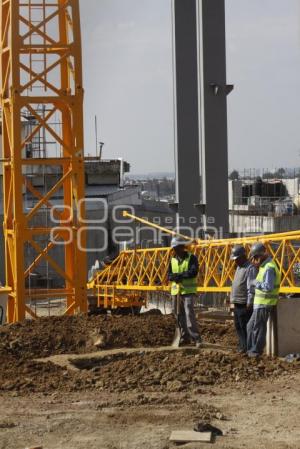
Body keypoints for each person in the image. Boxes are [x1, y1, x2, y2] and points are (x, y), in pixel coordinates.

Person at [247, 242, 281, 358]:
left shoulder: (269, 267)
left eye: (256, 258)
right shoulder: (263, 266)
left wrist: (256, 283)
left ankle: (256, 351)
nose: (255, 260)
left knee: (258, 328)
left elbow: (268, 286)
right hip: (259, 303)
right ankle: (251, 349)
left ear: (261, 255)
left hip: (265, 303)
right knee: (251, 326)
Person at [168, 237, 202, 347]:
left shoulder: (191, 258)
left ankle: (196, 338)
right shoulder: (172, 260)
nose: (175, 250)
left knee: (189, 314)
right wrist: (174, 277)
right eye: (174, 249)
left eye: (177, 248)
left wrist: (180, 276)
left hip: (188, 291)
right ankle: (184, 337)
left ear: (182, 247)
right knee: (178, 315)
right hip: (176, 292)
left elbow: (193, 272)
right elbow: (169, 275)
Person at [230, 245, 258, 353]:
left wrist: (249, 302)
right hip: (237, 302)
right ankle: (242, 346)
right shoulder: (238, 267)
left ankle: (247, 347)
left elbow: (251, 287)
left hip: (244, 303)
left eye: (236, 259)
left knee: (245, 326)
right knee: (238, 325)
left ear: (242, 257)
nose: (235, 261)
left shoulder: (250, 268)